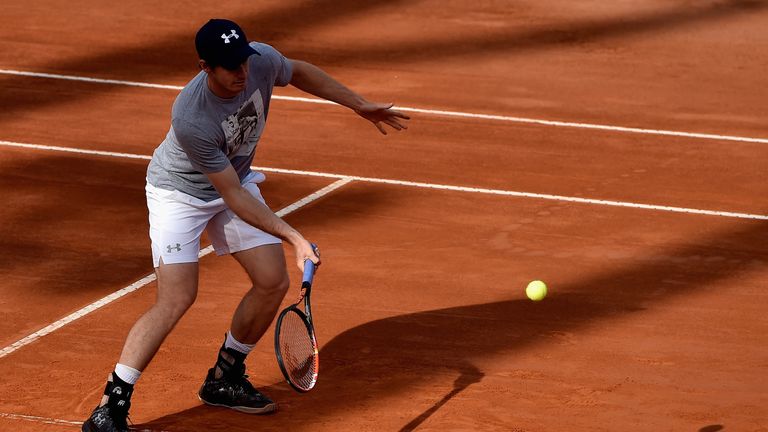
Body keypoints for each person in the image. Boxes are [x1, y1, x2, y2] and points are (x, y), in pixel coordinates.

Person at [82, 18, 409, 432]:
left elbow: (300, 70)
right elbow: (233, 196)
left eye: (244, 62)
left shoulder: (260, 61)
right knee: (177, 297)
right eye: (230, 67)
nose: (242, 73)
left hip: (233, 179)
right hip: (179, 195)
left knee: (272, 280)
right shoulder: (192, 116)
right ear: (205, 67)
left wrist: (357, 104)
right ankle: (110, 406)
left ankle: (224, 377)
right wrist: (294, 237)